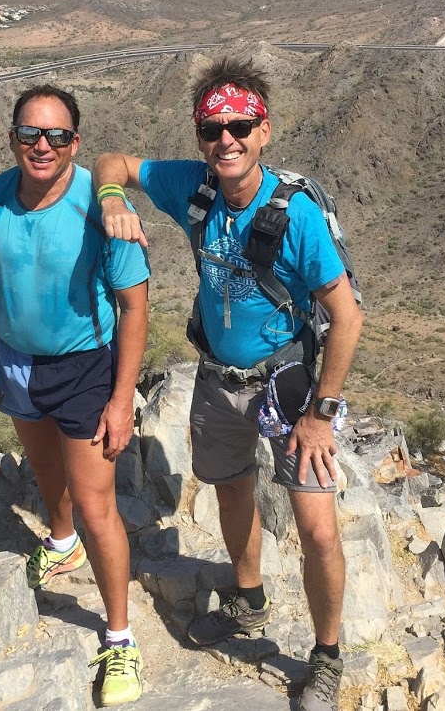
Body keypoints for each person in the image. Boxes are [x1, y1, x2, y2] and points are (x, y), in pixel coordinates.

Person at [92, 57, 362, 711]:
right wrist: (111, 201)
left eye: (241, 126)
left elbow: (347, 317)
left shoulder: (294, 218)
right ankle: (248, 598)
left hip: (290, 385)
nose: (227, 141)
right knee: (229, 490)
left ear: (265, 130)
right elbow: (112, 162)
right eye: (212, 130)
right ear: (199, 138)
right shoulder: (195, 187)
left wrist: (321, 415)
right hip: (217, 377)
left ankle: (325, 655)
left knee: (318, 528)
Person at [0, 84, 149, 707]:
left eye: (57, 136)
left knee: (97, 506)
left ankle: (119, 639)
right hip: (15, 362)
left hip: (84, 368)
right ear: (13, 137)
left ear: (75, 143)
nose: (43, 146)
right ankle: (59, 544)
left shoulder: (100, 204)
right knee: (44, 470)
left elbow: (135, 304)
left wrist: (122, 401)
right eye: (31, 134)